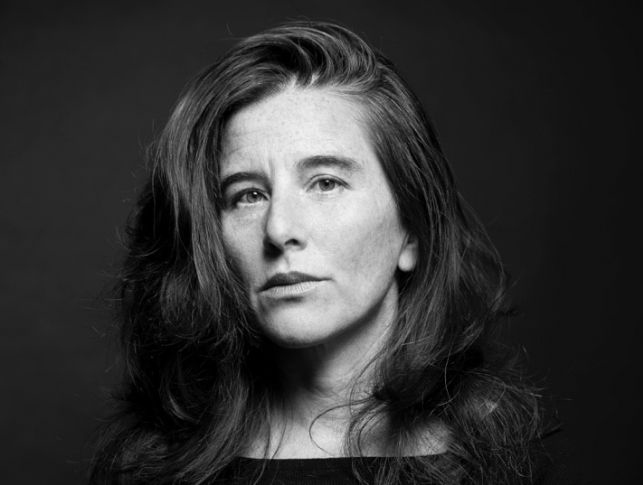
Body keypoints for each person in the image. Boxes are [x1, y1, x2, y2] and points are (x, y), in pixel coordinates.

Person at [90, 21, 571, 484]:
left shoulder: (494, 460)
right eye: (248, 195)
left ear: (412, 231)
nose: (279, 229)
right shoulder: (152, 467)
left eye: (325, 183)